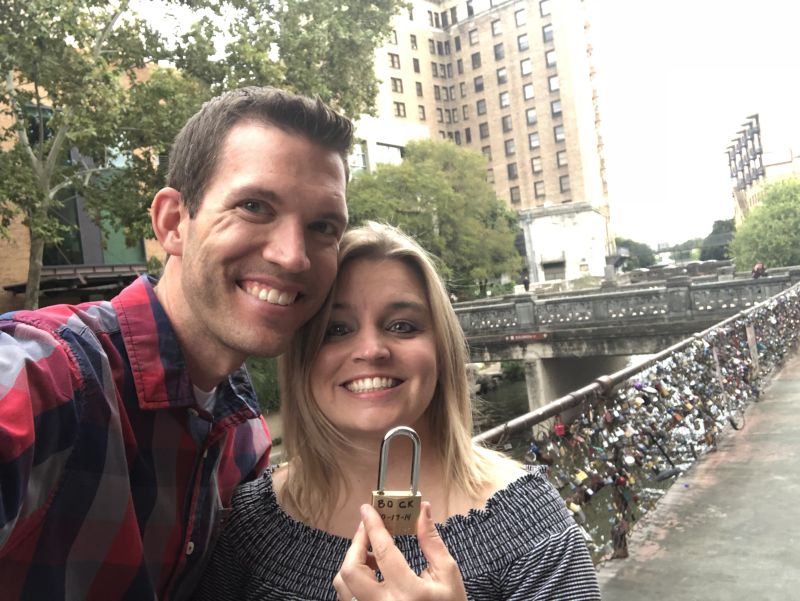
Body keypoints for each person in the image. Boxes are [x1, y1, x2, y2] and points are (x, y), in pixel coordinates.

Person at [0, 88, 458, 601]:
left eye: (322, 226)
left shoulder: (242, 441)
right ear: (173, 223)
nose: (292, 256)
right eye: (255, 206)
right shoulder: (49, 374)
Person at [194, 222, 601, 601]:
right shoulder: (254, 523)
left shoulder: (528, 525)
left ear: (440, 350)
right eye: (337, 330)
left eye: (403, 326)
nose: (372, 350)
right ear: (302, 357)